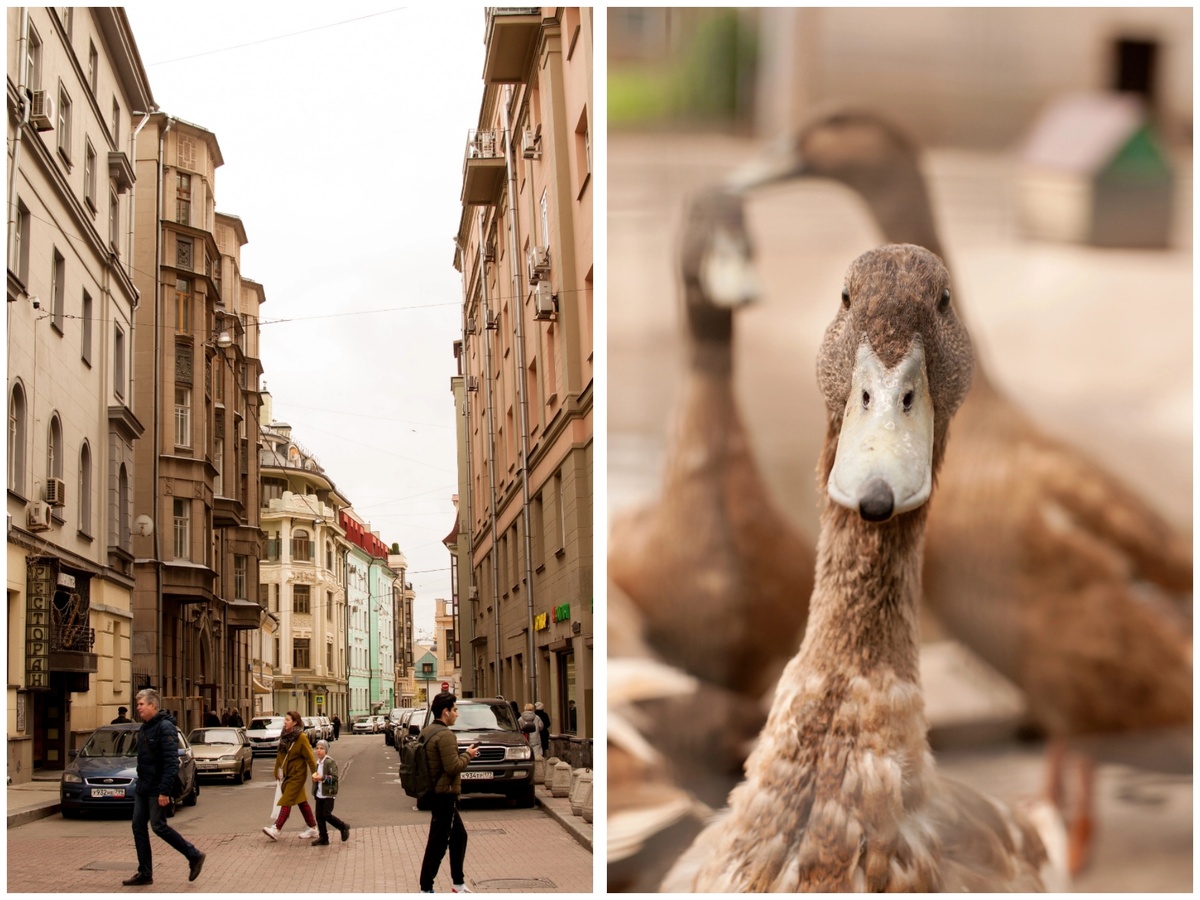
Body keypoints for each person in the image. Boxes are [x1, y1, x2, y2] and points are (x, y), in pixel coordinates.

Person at [121, 688, 205, 886]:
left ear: (153, 705)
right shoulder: (145, 727)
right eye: (138, 704)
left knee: (159, 827)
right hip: (143, 786)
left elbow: (170, 763)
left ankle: (194, 855)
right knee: (137, 826)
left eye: (141, 704)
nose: (138, 708)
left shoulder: (165, 728)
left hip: (157, 787)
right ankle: (145, 872)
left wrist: (164, 791)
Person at [419, 692, 480, 894]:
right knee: (438, 843)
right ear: (445, 712)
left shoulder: (427, 731)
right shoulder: (445, 735)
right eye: (455, 710)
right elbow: (452, 766)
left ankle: (458, 884)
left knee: (459, 836)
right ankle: (426, 888)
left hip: (435, 792)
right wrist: (468, 755)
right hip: (444, 794)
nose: (457, 714)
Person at [263, 710, 319, 841]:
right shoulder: (284, 735)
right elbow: (280, 755)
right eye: (285, 719)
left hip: (298, 775)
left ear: (295, 722)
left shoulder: (301, 737)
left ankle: (276, 829)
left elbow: (310, 758)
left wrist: (315, 774)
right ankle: (313, 828)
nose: (285, 722)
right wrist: (276, 770)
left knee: (286, 800)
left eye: (287, 720)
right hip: (287, 774)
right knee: (301, 802)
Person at [310, 739, 350, 845]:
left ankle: (343, 826)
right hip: (319, 793)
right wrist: (315, 780)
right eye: (317, 748)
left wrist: (322, 778)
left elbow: (334, 778)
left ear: (326, 750)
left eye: (321, 749)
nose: (318, 751)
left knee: (326, 815)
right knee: (319, 817)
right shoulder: (318, 763)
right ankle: (323, 837)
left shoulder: (329, 762)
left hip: (328, 793)